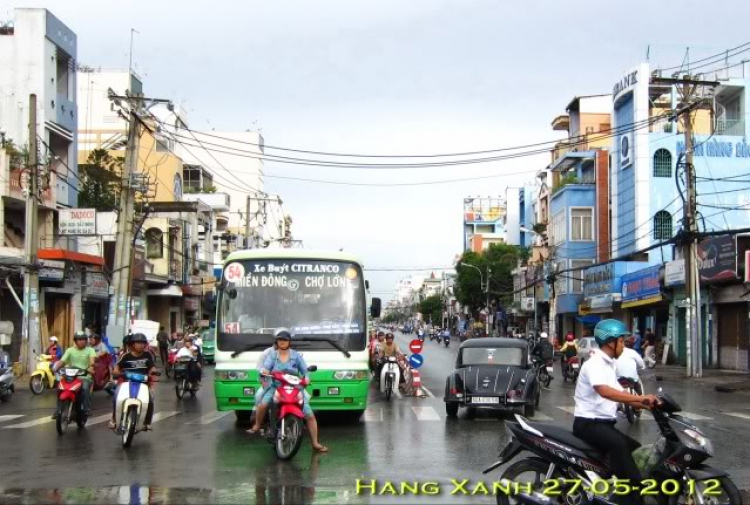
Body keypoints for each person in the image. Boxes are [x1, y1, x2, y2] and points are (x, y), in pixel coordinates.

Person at [572, 319, 660, 505]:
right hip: (588, 424)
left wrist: (649, 406)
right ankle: (630, 495)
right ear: (610, 342)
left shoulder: (609, 364)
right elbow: (605, 391)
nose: (624, 345)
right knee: (620, 448)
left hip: (603, 424)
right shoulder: (595, 363)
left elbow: (619, 393)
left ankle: (610, 489)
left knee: (634, 448)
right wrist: (639, 398)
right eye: (622, 341)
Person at [247, 330, 328, 452]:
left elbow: (305, 371)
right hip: (276, 386)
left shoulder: (296, 356)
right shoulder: (272, 355)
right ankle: (257, 425)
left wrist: (306, 379)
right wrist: (264, 371)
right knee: (262, 405)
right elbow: (266, 367)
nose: (282, 342)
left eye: (285, 340)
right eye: (280, 340)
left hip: (294, 387)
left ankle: (315, 443)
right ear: (277, 341)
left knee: (309, 415)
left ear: (289, 341)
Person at [109, 333, 157, 430]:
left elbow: (152, 367)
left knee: (150, 400)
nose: (141, 345)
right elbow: (117, 367)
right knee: (117, 397)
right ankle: (114, 419)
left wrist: (153, 372)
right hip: (126, 382)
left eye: (143, 343)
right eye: (138, 343)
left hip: (144, 383)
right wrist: (116, 371)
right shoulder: (125, 356)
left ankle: (147, 423)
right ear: (133, 344)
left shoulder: (148, 355)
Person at [51, 332, 95, 418]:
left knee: (85, 388)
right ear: (75, 341)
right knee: (60, 387)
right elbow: (62, 361)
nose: (81, 341)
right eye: (79, 339)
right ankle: (59, 408)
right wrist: (55, 368)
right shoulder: (69, 350)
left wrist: (91, 368)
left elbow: (92, 361)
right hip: (70, 376)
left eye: (83, 339)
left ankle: (85, 409)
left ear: (86, 341)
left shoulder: (90, 350)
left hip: (84, 376)